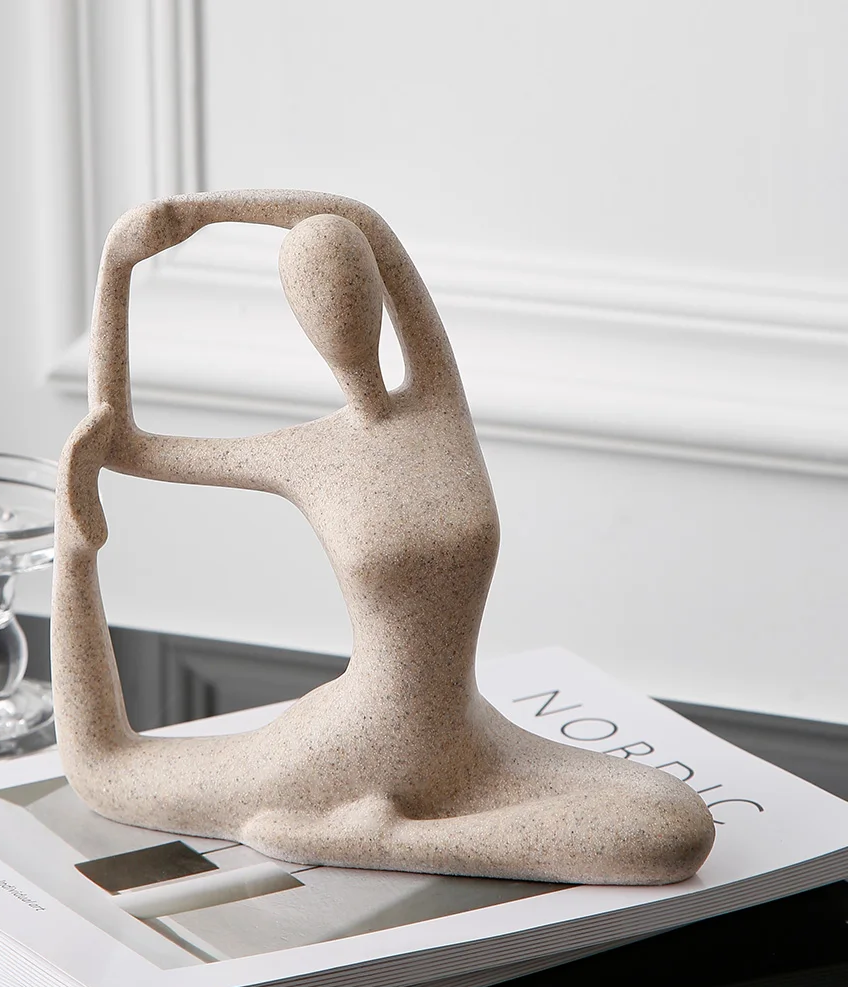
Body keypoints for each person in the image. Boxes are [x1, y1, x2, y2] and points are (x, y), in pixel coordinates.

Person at [52, 191, 714, 885]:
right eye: (320, 298)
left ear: (375, 284)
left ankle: (389, 837)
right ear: (301, 319)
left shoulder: (437, 398)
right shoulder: (304, 455)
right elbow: (124, 443)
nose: (343, 312)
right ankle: (383, 837)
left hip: (469, 736)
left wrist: (207, 212)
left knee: (675, 825)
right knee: (117, 775)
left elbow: (364, 220)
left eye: (355, 283)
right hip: (354, 744)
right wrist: (118, 265)